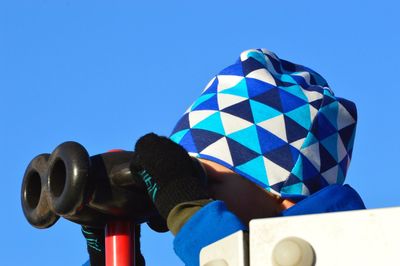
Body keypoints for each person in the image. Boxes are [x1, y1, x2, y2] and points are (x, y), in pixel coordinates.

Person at [84, 48, 365, 265]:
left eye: (205, 180)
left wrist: (186, 206)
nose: (195, 196)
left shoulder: (351, 254)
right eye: (191, 180)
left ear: (284, 195)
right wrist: (106, 254)